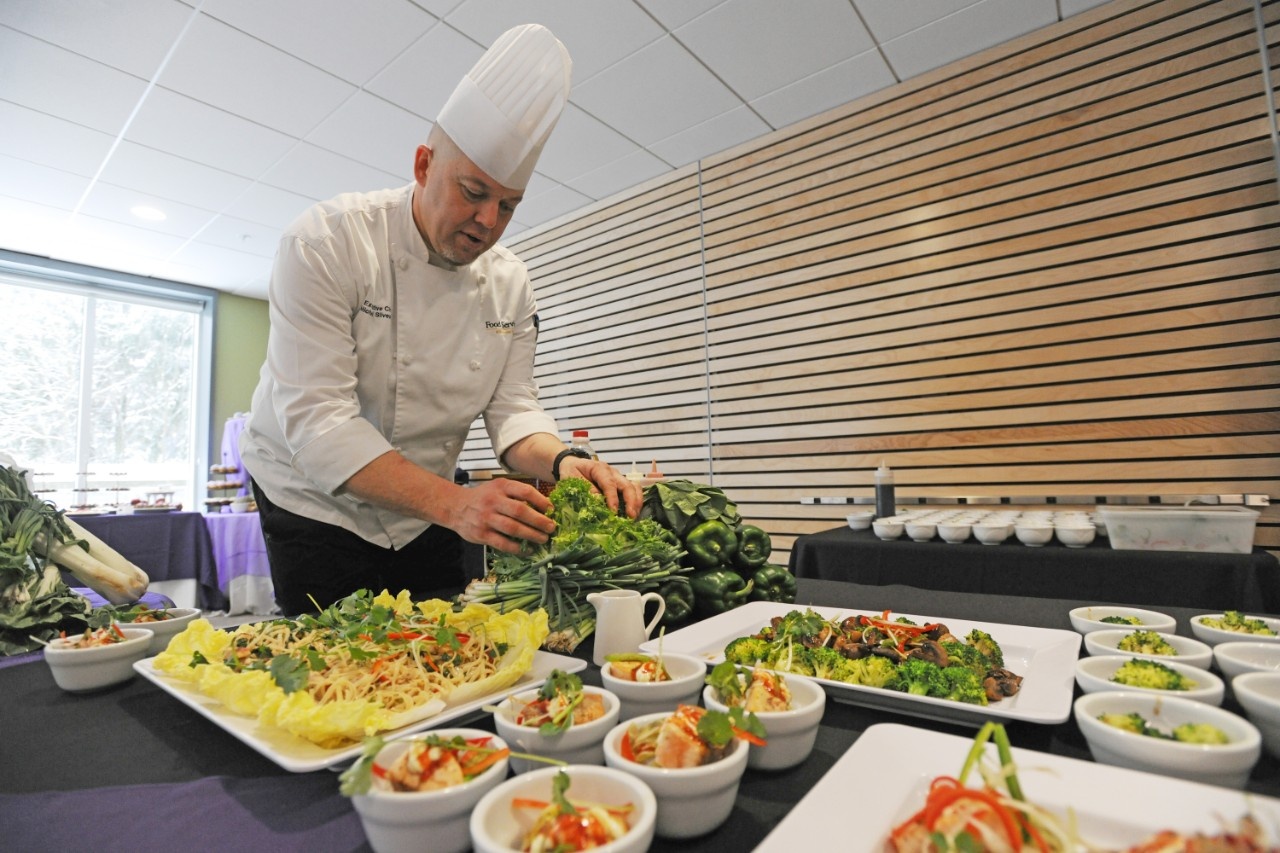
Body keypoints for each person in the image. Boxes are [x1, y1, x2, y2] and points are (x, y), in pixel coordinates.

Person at [239, 24, 639, 615]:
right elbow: (320, 427)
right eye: (473, 191)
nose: (487, 220)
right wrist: (456, 504)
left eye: (507, 205)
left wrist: (562, 461)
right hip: (312, 504)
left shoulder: (510, 283)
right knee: (331, 667)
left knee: (443, 649)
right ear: (424, 165)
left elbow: (515, 410)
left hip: (430, 506)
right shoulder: (327, 242)